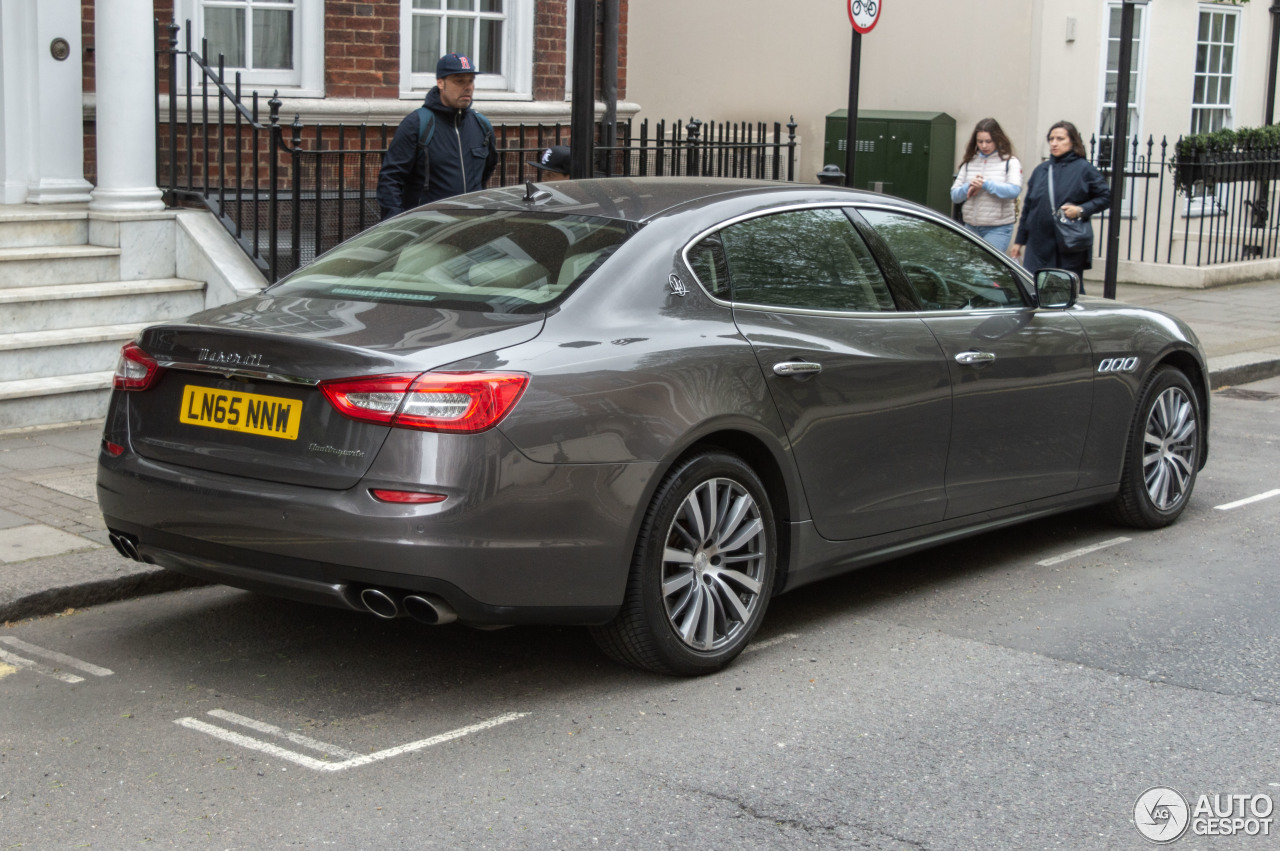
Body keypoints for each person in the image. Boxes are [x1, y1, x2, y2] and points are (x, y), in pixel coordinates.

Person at [376, 53, 499, 219]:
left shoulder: (481, 125)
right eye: (459, 81)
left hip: (470, 226)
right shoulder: (417, 123)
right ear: (441, 83)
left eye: (470, 80)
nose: (467, 87)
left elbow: (485, 172)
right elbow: (390, 179)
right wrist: (396, 223)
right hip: (426, 228)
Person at [1011, 120, 1110, 293]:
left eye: (1060, 139)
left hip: (1066, 243)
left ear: (1072, 141)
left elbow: (1105, 197)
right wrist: (1019, 241)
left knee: (1067, 290)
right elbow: (1029, 207)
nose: (1054, 143)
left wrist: (1081, 210)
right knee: (1033, 289)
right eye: (1051, 139)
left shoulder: (1084, 169)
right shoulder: (1041, 170)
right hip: (1038, 243)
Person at [949, 118, 1022, 253]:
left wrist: (986, 185)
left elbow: (1014, 190)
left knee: (986, 269)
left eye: (988, 141)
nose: (984, 145)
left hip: (998, 227)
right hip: (971, 226)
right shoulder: (969, 162)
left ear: (997, 139)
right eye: (980, 141)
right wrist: (969, 187)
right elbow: (955, 195)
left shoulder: (1009, 161)